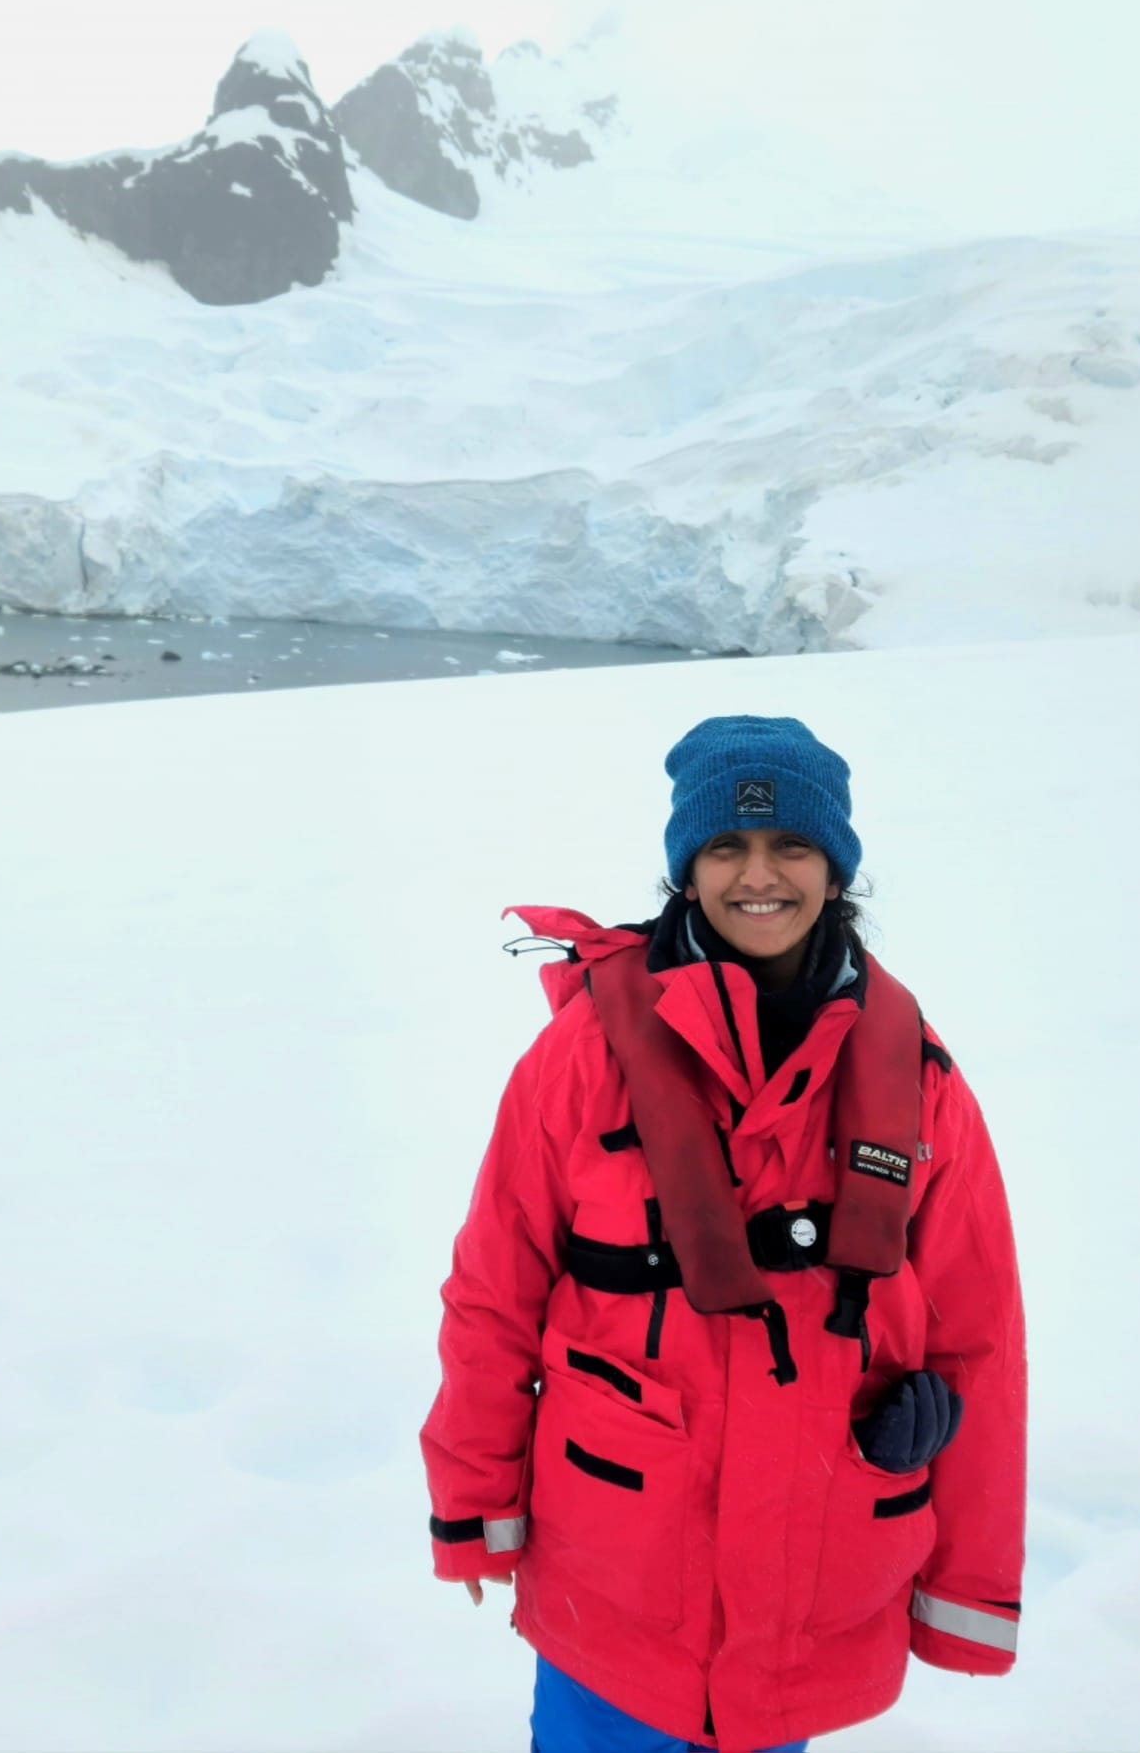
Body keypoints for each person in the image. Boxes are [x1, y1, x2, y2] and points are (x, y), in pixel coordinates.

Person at [422, 716, 1027, 1753]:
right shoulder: (579, 1057)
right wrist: (474, 1500)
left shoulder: (917, 1076)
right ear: (684, 871)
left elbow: (980, 1334)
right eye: (724, 847)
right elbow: (494, 1289)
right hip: (611, 1580)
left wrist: (965, 1584)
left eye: (790, 845)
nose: (760, 875)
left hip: (811, 1574)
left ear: (834, 869)